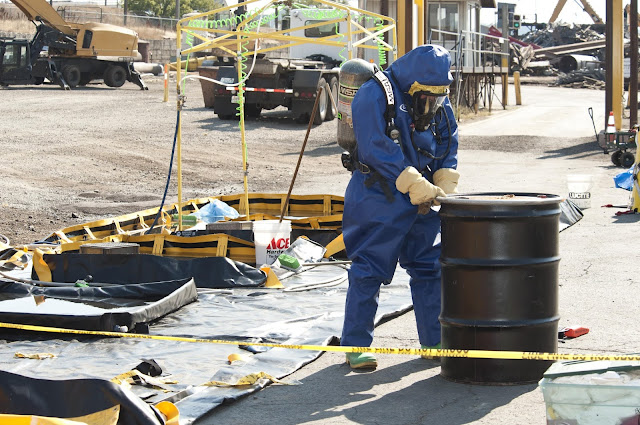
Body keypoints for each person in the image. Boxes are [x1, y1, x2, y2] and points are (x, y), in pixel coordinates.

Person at [340, 44, 460, 369]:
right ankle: (355, 346)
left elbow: (448, 138)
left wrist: (445, 177)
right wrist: (410, 181)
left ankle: (433, 341)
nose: (432, 103)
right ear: (413, 85)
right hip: (377, 193)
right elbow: (375, 145)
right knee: (369, 269)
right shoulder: (374, 94)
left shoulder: (436, 96)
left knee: (429, 266)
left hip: (422, 195)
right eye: (427, 96)